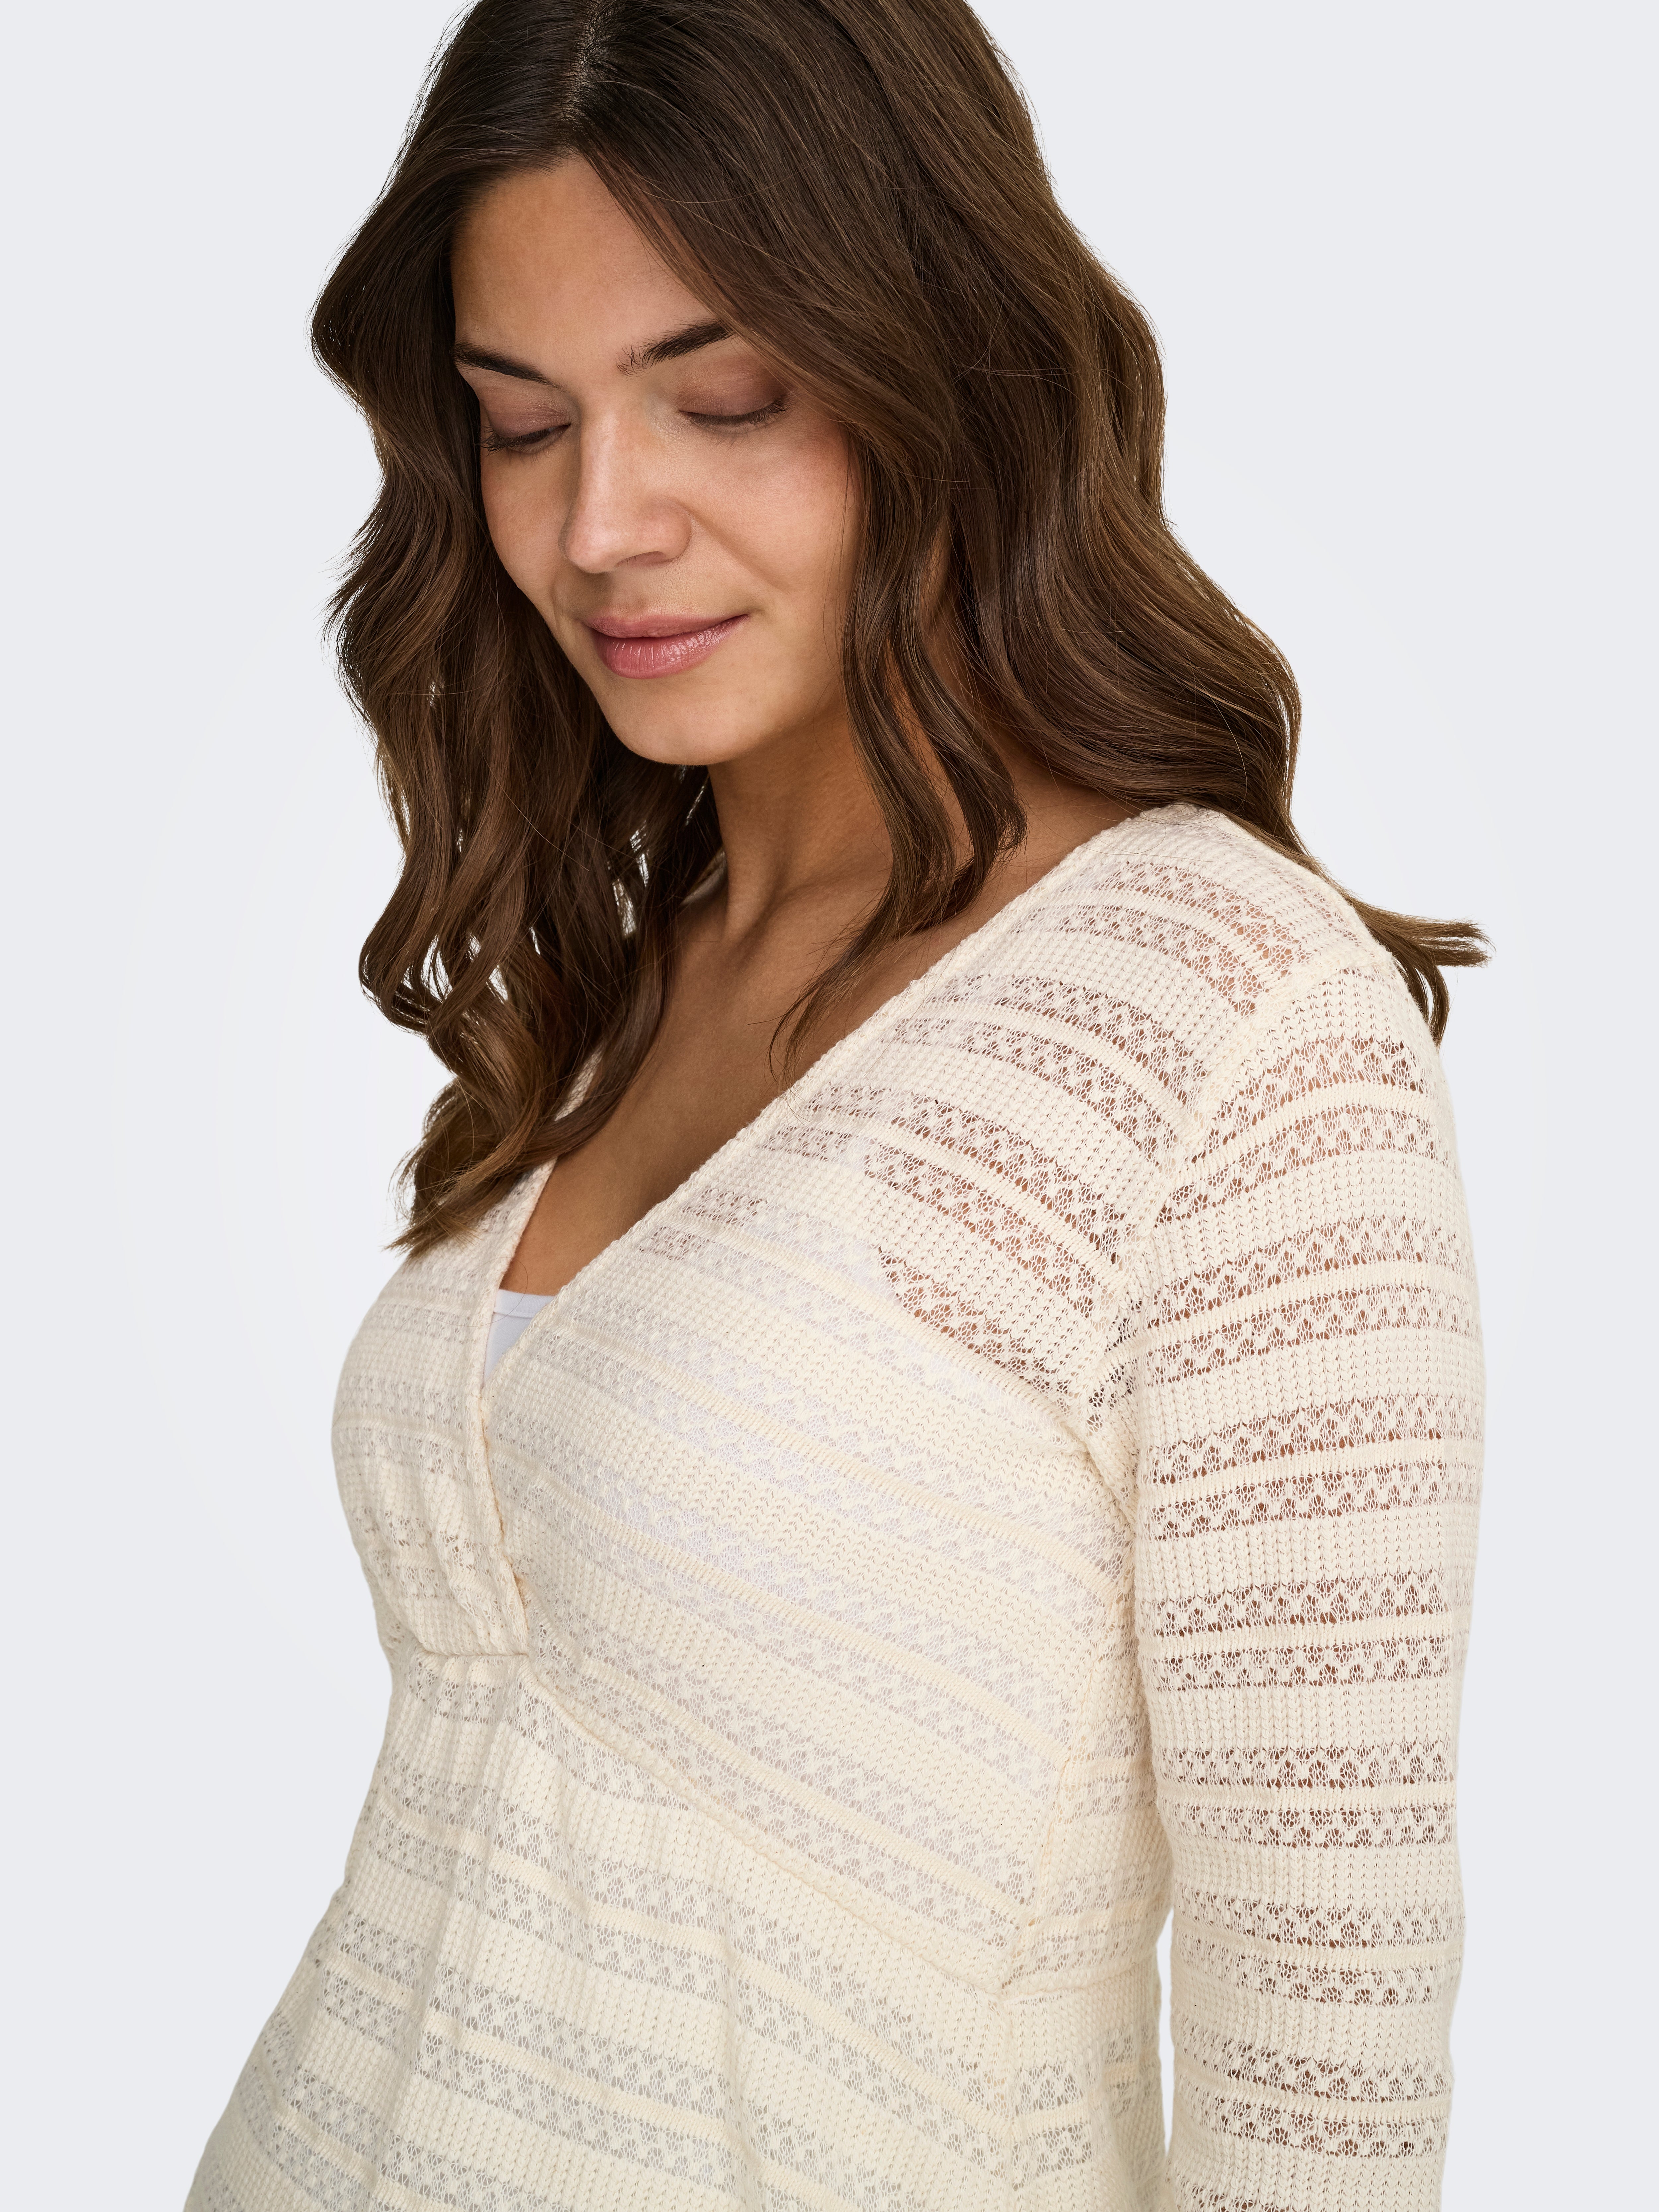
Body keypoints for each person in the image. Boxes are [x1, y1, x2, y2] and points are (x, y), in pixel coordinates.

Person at [188, 3, 1485, 2206]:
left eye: (726, 401)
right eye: (521, 424)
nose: (601, 525)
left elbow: (1327, 2028)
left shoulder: (1226, 1020)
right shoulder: (627, 961)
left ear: (948, 369)